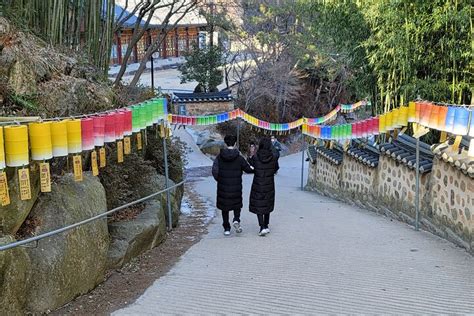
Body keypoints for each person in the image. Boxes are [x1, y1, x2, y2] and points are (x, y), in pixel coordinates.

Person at [212, 135, 254, 236]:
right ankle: (236, 219)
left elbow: (214, 171)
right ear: (235, 143)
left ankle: (226, 227)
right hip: (236, 187)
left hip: (223, 187)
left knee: (224, 207)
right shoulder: (239, 157)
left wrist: (220, 180)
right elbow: (248, 169)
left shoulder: (219, 157)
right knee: (236, 205)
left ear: (225, 143)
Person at [248, 137, 279, 236]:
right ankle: (266, 225)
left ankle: (261, 226)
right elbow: (276, 168)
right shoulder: (273, 157)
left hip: (258, 184)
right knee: (267, 204)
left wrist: (251, 154)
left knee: (259, 205)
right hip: (269, 184)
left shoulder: (256, 157)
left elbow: (251, 165)